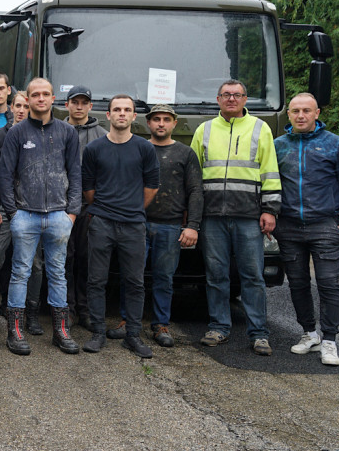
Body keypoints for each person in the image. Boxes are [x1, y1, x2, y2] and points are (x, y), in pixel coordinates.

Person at [273, 93, 339, 366]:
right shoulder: (278, 146)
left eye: (306, 111)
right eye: (295, 111)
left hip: (325, 225)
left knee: (328, 284)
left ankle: (330, 341)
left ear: (317, 113)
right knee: (298, 283)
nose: (301, 116)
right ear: (288, 114)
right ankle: (309, 333)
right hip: (288, 226)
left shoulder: (335, 145)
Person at [190, 80, 280, 356]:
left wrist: (270, 210)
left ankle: (259, 334)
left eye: (236, 95)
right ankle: (219, 327)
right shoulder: (204, 130)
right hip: (212, 217)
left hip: (248, 216)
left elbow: (270, 171)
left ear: (245, 99)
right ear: (218, 99)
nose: (231, 99)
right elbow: (193, 176)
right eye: (226, 95)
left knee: (252, 276)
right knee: (216, 275)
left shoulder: (259, 128)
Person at [0, 78, 81, 356]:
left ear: (54, 98)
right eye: (35, 95)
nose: (41, 99)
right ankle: (15, 331)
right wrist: (13, 213)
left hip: (58, 215)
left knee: (57, 274)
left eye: (46, 94)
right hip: (26, 215)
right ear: (28, 99)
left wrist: (71, 212)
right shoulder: (17, 133)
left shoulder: (68, 132)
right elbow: (5, 176)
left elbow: (75, 174)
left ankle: (61, 331)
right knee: (20, 272)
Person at [80, 95, 159, 359]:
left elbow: (152, 186)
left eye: (127, 110)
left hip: (134, 224)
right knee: (96, 280)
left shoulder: (144, 149)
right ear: (108, 115)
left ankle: (133, 335)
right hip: (101, 222)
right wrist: (105, 209)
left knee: (135, 282)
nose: (122, 114)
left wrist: (133, 208)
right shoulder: (94, 149)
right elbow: (88, 189)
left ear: (134, 116)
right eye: (117, 109)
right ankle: (98, 333)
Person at [139, 103, 202, 347]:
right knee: (132, 275)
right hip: (138, 223)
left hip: (171, 226)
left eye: (166, 119)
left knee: (164, 278)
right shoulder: (139, 149)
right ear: (149, 123)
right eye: (156, 119)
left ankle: (160, 324)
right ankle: (127, 320)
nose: (161, 123)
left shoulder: (185, 154)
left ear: (174, 123)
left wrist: (192, 225)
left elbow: (195, 190)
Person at [0, 92, 32, 335]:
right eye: (18, 106)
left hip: (33, 209)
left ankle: (29, 314)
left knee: (35, 264)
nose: (22, 110)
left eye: (26, 105)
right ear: (11, 108)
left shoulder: (41, 134)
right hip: (3, 206)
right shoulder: (0, 136)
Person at [63, 85, 106, 327]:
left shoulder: (102, 135)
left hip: (92, 208)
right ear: (67, 104)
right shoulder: (57, 130)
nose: (79, 107)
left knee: (88, 260)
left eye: (83, 103)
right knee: (65, 259)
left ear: (90, 106)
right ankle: (67, 309)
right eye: (74, 102)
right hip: (62, 207)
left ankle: (85, 309)